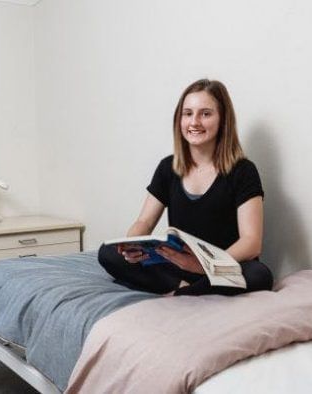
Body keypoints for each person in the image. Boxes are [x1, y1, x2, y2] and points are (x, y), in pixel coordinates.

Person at [99, 78, 274, 296]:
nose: (194, 122)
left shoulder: (243, 171)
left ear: (223, 120)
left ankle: (181, 293)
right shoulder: (168, 168)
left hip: (220, 266)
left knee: (259, 274)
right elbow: (144, 221)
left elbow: (251, 242)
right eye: (188, 113)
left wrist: (206, 266)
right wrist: (133, 246)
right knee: (107, 253)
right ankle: (185, 287)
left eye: (206, 113)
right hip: (179, 264)